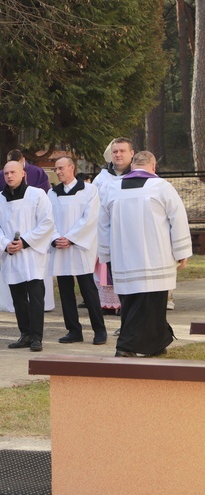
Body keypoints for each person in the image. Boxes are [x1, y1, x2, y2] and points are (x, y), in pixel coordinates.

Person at [98, 151, 191, 357]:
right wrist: (181, 251)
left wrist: (106, 255)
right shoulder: (162, 187)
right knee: (152, 302)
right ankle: (126, 346)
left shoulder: (112, 188)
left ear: (133, 166)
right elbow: (178, 219)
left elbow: (102, 225)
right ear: (153, 166)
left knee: (131, 302)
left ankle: (157, 343)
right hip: (155, 256)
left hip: (122, 257)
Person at [0, 160, 54, 352]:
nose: (9, 176)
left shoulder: (37, 195)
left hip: (32, 255)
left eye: (13, 172)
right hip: (11, 255)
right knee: (18, 298)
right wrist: (5, 245)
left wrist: (24, 242)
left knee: (35, 296)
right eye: (6, 173)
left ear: (23, 173)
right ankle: (25, 334)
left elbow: (47, 222)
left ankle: (37, 338)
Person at [47, 156, 107, 345]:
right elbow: (48, 219)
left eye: (61, 168)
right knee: (65, 291)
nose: (58, 172)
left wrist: (71, 238)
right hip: (60, 247)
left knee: (88, 289)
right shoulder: (52, 194)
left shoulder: (89, 191)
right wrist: (56, 237)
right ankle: (73, 330)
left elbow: (90, 218)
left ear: (72, 167)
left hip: (80, 248)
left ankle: (99, 330)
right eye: (56, 169)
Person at [92, 137, 134, 316]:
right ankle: (109, 304)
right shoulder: (102, 178)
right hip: (107, 233)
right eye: (115, 151)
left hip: (131, 235)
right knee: (107, 270)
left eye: (122, 151)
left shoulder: (138, 176)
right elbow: (92, 203)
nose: (118, 155)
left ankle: (129, 310)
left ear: (131, 154)